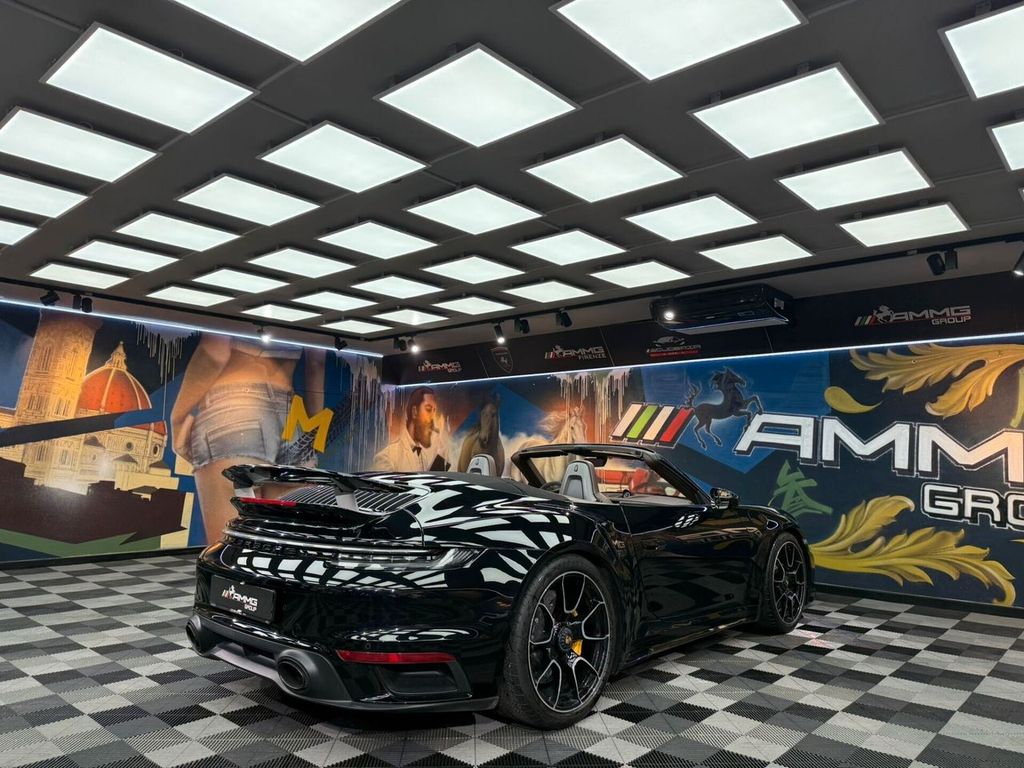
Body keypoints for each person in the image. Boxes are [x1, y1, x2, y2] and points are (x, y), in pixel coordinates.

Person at [171, 334, 325, 544]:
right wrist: (310, 438)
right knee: (282, 547)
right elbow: (316, 365)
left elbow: (215, 351)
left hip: (235, 409)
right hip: (292, 417)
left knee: (229, 548)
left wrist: (178, 417)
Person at [373, 386, 450, 472]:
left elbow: (424, 480)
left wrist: (441, 459)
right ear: (414, 412)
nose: (432, 418)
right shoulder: (386, 458)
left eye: (434, 411)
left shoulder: (423, 457)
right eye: (428, 409)